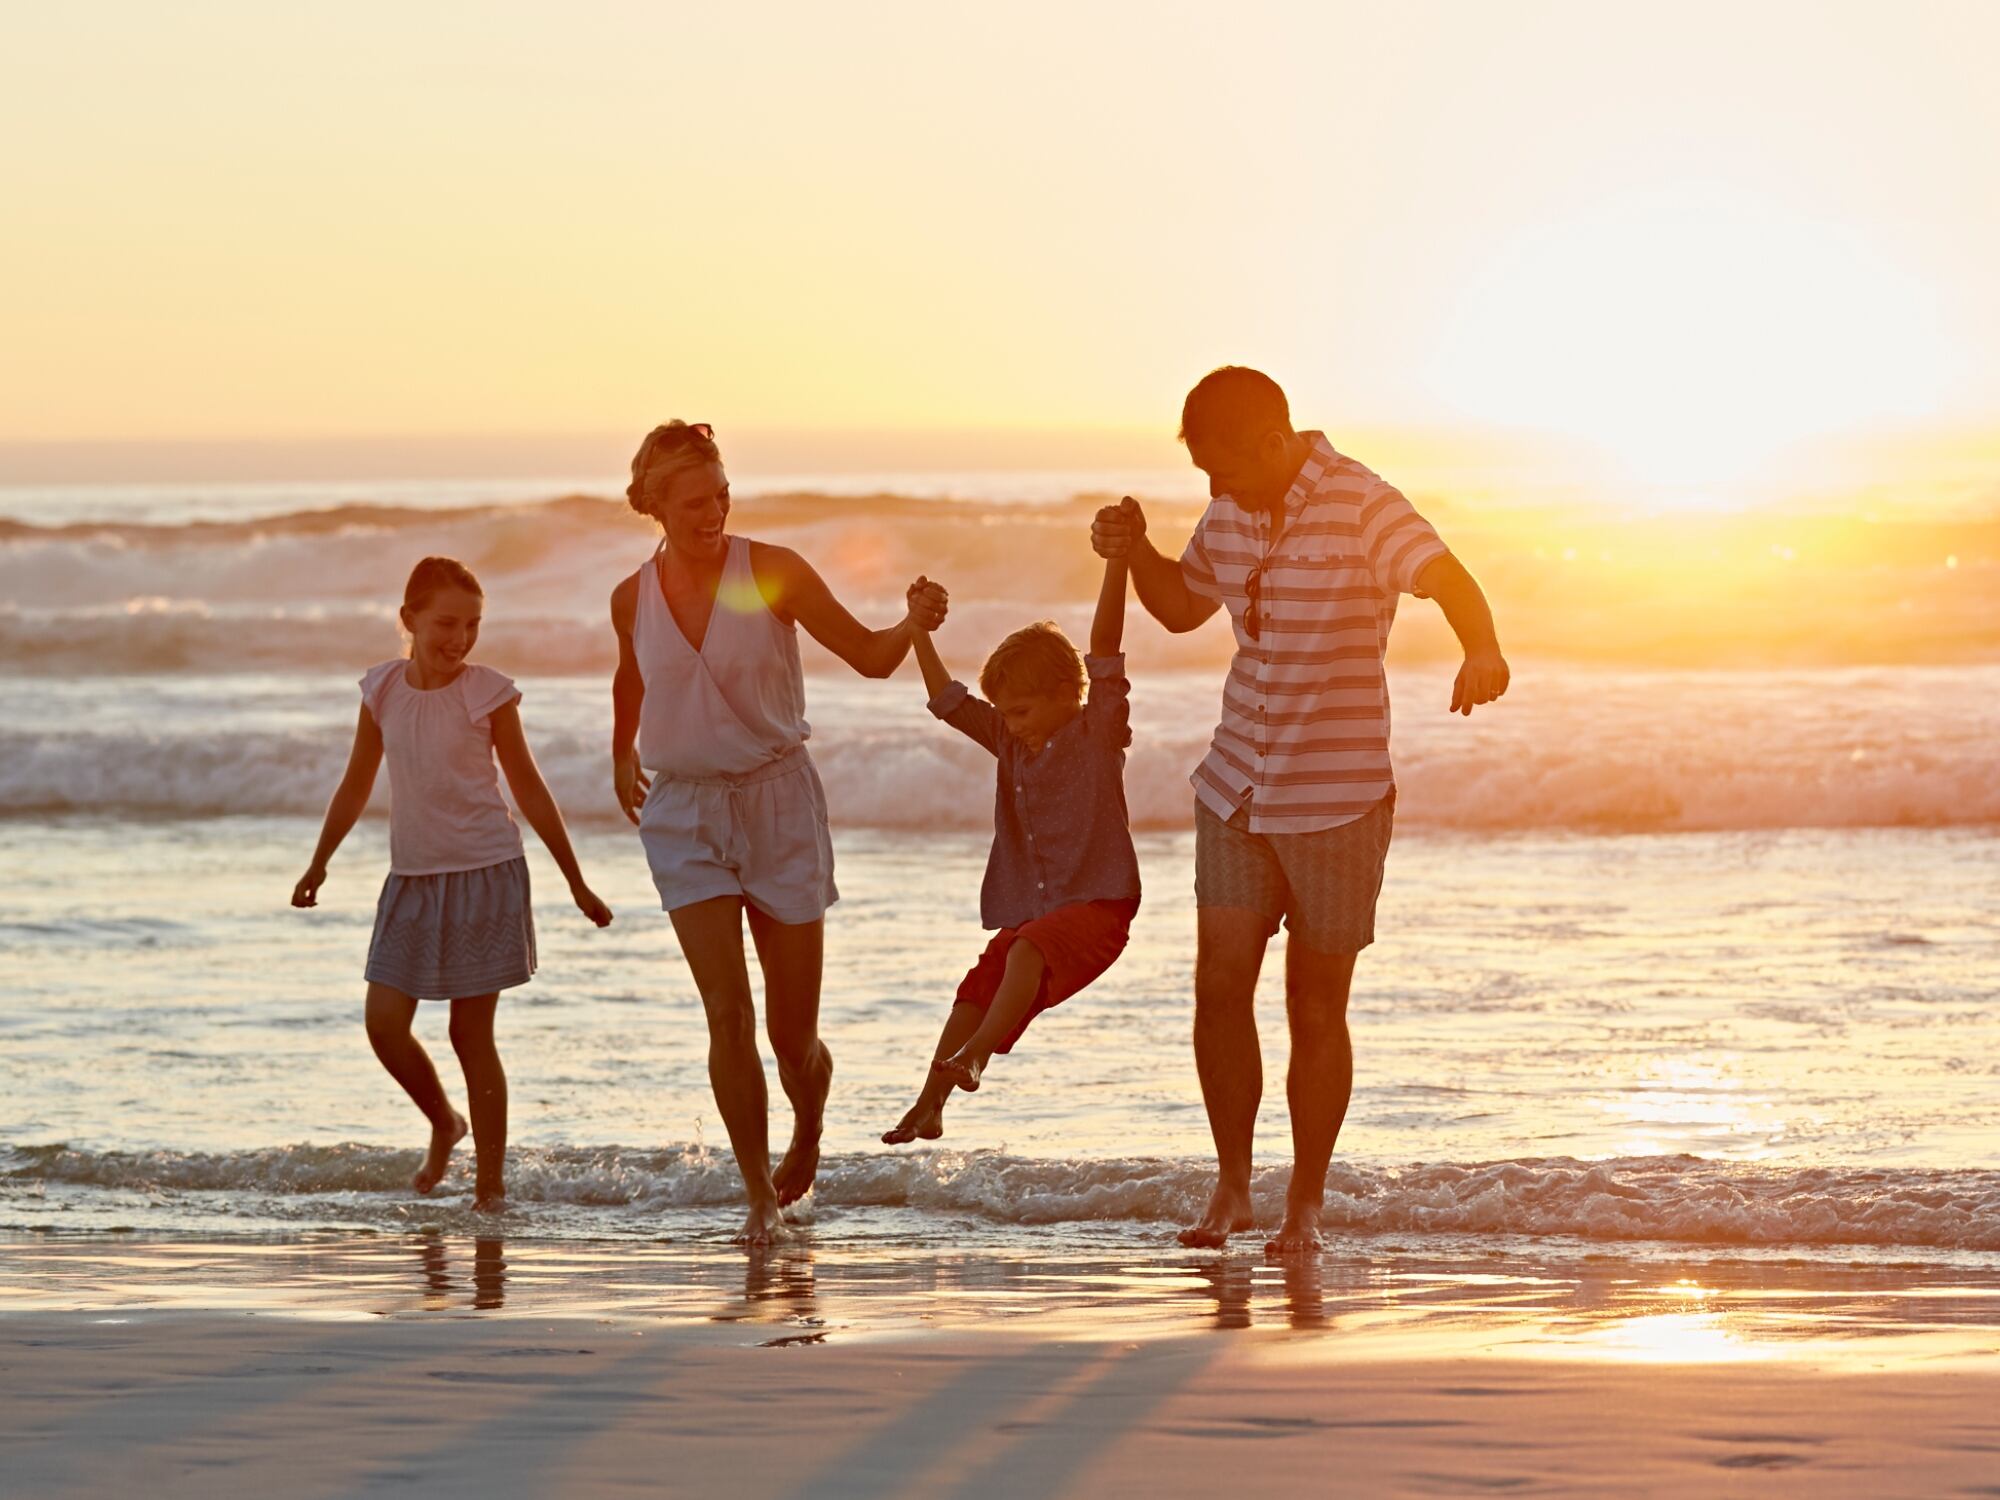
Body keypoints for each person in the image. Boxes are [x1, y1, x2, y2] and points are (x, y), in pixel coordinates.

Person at [1091, 367, 1509, 1254]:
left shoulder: (1363, 502)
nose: (1214, 490)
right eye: (1203, 473)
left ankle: (1304, 1206)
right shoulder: (1231, 510)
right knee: (1217, 986)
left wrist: (1483, 648)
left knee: (1315, 1008)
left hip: (1339, 797)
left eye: (1225, 469)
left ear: (1274, 444)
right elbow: (1176, 608)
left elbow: (1445, 573)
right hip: (1237, 783)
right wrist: (1133, 553)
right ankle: (1234, 1190)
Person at [610, 420, 947, 1244]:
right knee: (726, 1012)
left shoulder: (770, 572)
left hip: (778, 805)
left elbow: (870, 658)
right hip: (684, 813)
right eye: (694, 500)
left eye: (722, 493)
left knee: (790, 1038)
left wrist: (913, 623)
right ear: (654, 505)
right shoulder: (632, 595)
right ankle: (759, 1194)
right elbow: (632, 669)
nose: (713, 511)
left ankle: (810, 1125)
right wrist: (623, 750)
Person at [292, 555, 614, 1212]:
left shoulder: (487, 692)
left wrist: (576, 880)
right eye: (445, 623)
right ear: (408, 619)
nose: (459, 639)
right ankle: (444, 1121)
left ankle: (490, 1189)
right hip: (411, 878)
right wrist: (320, 860)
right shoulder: (381, 690)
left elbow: (527, 785)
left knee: (472, 1035)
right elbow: (357, 781)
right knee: (384, 1024)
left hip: (484, 876)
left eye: (472, 625)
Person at [882, 551, 1142, 1145]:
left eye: (1021, 710)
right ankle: (929, 1105)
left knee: (1026, 948)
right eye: (1004, 713)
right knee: (976, 987)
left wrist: (1115, 563)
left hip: (1100, 910)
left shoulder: (1096, 731)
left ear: (1065, 694)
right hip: (1041, 914)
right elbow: (946, 699)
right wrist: (919, 631)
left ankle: (975, 1059)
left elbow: (1105, 646)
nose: (1011, 723)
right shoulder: (1009, 737)